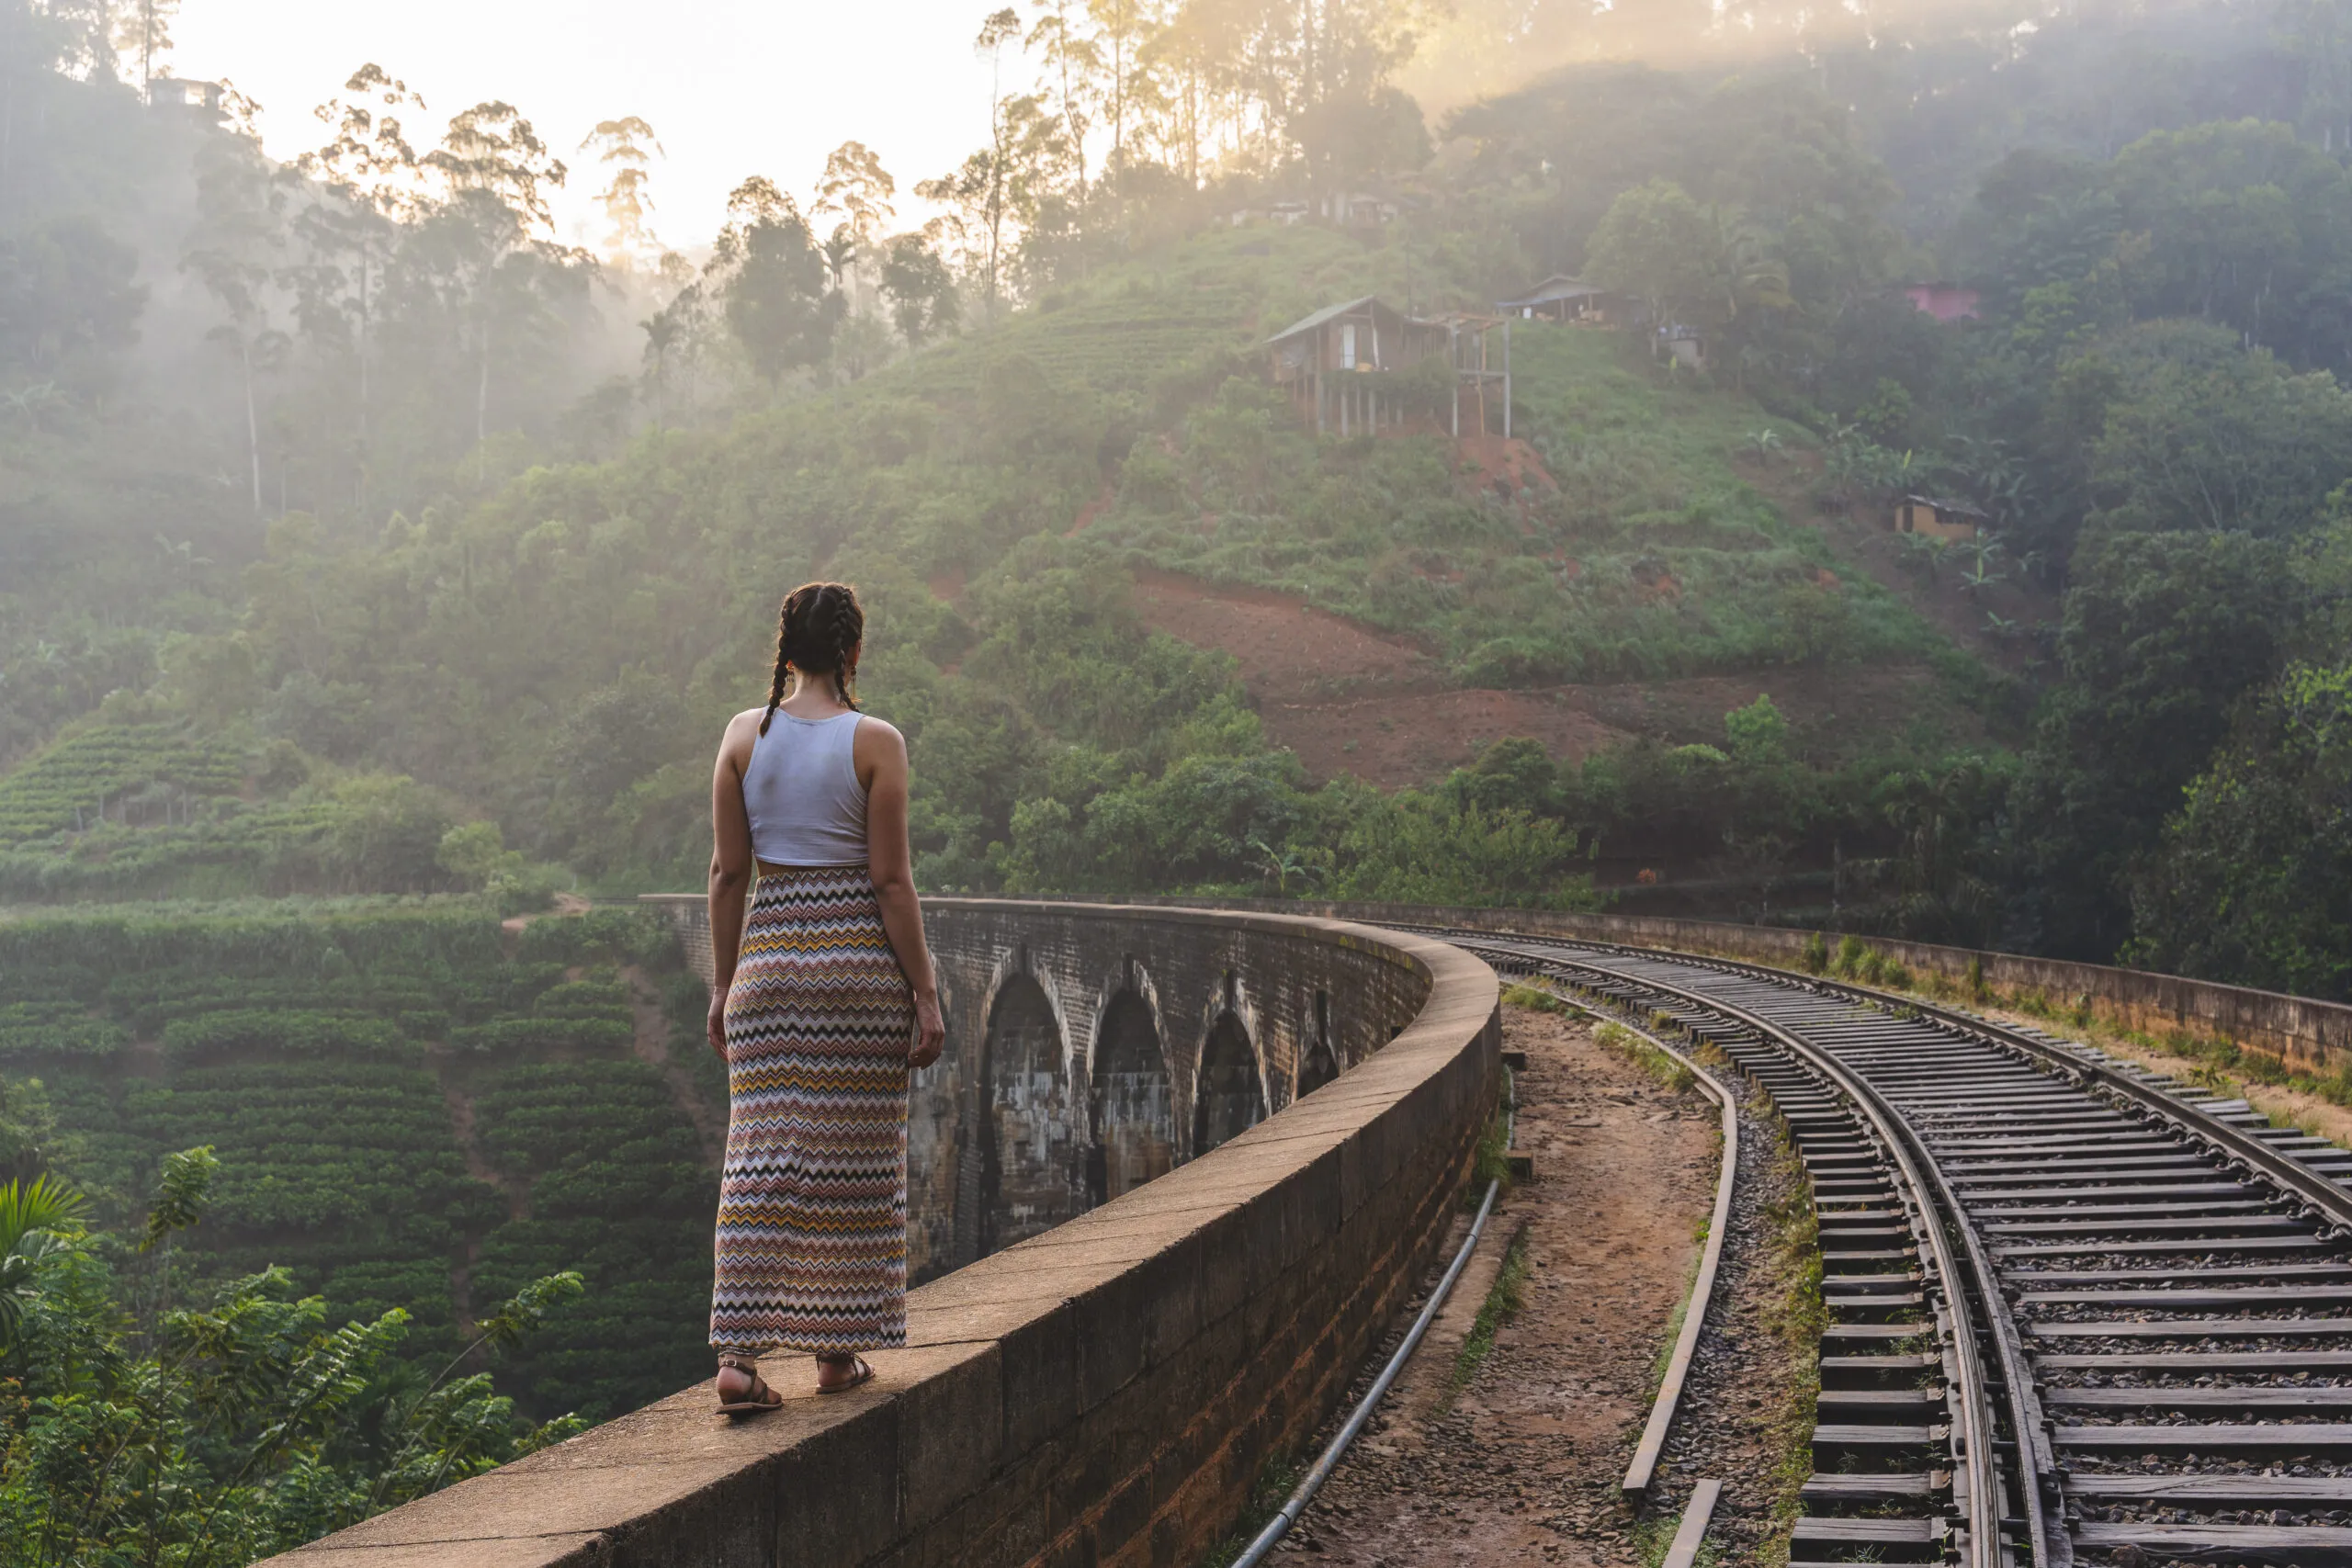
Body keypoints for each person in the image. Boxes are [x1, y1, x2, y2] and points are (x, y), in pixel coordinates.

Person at [702, 581, 946, 1413]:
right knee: (853, 1162)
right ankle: (837, 1354)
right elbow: (889, 880)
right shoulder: (876, 742)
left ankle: (737, 1357)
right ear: (852, 651)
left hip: (768, 965)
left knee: (760, 1159)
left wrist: (724, 983)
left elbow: (728, 873)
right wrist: (926, 992)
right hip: (856, 972)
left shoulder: (743, 736)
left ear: (786, 648)